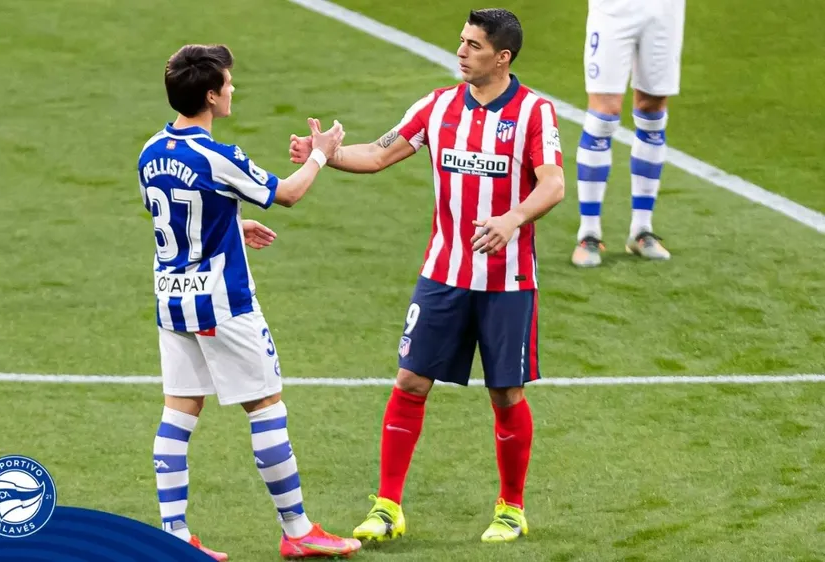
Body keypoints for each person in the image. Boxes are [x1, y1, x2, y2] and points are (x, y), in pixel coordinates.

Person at [289, 8, 564, 545]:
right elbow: (377, 153)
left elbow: (552, 183)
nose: (461, 51)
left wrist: (513, 218)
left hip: (508, 282)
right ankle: (388, 506)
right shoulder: (437, 106)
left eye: (474, 45)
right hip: (443, 275)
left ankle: (511, 508)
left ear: (502, 57)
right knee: (410, 380)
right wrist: (325, 156)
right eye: (460, 41)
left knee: (506, 393)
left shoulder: (534, 113)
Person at [141, 43, 361, 560]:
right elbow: (287, 193)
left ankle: (173, 537)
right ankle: (298, 531)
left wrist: (231, 227)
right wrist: (323, 152)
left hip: (172, 301)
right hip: (223, 303)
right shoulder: (218, 156)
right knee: (265, 406)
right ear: (212, 96)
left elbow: (177, 219)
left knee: (179, 410)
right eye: (229, 83)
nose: (233, 88)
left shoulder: (150, 150)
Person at [571, 0, 685, 267]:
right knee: (603, 115)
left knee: (653, 109)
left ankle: (641, 229)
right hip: (614, 10)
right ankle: (588, 233)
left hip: (664, 10)